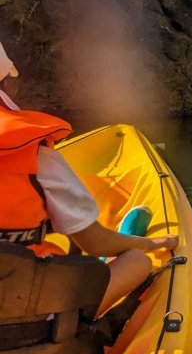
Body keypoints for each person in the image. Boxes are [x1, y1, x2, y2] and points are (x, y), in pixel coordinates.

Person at [0, 41, 178, 313]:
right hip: (34, 322)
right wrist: (149, 243)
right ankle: (87, 309)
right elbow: (95, 243)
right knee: (138, 261)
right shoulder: (37, 157)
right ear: (7, 83)